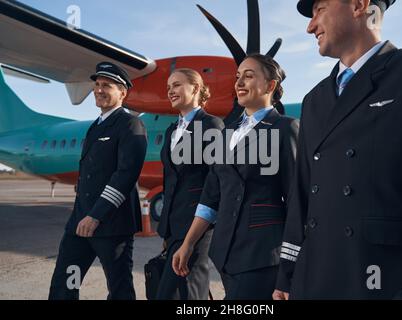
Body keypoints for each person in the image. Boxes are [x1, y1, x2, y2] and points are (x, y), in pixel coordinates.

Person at [274, 0, 402, 300]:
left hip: (383, 281)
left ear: (358, 6)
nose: (310, 26)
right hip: (312, 278)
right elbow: (301, 195)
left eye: (319, 10)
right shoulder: (314, 100)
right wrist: (287, 276)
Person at [172, 54, 299, 300]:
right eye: (238, 76)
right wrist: (188, 244)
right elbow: (211, 197)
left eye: (249, 76)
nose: (239, 82)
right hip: (226, 253)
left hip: (262, 255)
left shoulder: (285, 128)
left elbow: (297, 201)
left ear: (270, 85)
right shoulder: (226, 132)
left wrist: (290, 269)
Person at [49, 62, 148, 300]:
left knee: (119, 288)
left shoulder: (130, 124)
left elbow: (125, 174)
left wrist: (96, 215)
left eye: (107, 85)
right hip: (79, 223)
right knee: (67, 280)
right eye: (97, 85)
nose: (99, 90)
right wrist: (82, 215)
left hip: (110, 225)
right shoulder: (96, 126)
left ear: (122, 93)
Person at [155, 68, 224, 300]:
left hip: (197, 227)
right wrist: (165, 229)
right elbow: (170, 181)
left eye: (176, 85)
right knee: (189, 292)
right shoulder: (171, 130)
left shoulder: (211, 126)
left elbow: (215, 185)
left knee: (183, 291)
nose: (170, 91)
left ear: (195, 88)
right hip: (173, 228)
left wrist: (190, 240)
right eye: (168, 88)